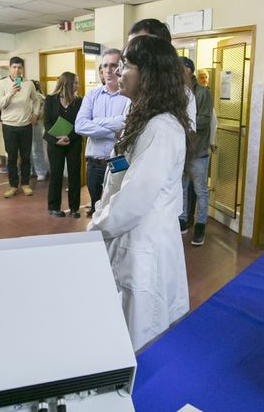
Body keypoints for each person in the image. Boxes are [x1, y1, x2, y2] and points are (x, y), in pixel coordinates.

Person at [88, 35, 193, 351]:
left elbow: (132, 203)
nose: (118, 72)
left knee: (140, 339)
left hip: (142, 244)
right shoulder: (142, 117)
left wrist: (93, 228)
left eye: (126, 65)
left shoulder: (160, 127)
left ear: (149, 74)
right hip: (129, 240)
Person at [75, 49, 130, 217]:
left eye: (113, 65)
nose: (108, 70)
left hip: (117, 162)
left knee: (115, 209)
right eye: (105, 66)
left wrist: (96, 122)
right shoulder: (92, 95)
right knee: (96, 207)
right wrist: (113, 130)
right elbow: (80, 126)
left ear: (121, 68)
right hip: (94, 163)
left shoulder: (129, 96)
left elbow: (127, 124)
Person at [128, 18, 196, 132]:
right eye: (130, 44)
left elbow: (187, 137)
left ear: (161, 49)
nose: (131, 51)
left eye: (139, 44)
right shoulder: (133, 88)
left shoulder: (181, 95)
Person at [0, 57, 42, 198]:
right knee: (12, 158)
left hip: (26, 125)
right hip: (9, 126)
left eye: (19, 67)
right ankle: (13, 185)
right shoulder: (2, 84)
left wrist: (35, 113)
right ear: (10, 68)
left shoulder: (29, 84)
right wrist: (11, 93)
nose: (17, 70)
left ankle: (26, 184)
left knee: (26, 157)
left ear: (23, 69)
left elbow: (37, 99)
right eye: (14, 67)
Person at [179, 57, 213, 246]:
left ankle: (200, 225)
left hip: (198, 150)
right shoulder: (176, 93)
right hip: (182, 151)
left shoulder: (202, 93)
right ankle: (182, 220)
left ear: (189, 70)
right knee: (182, 188)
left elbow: (205, 120)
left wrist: (182, 123)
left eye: (180, 68)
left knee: (200, 190)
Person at [43, 72, 83, 218]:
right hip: (55, 143)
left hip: (73, 142)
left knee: (74, 175)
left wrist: (69, 137)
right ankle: (53, 207)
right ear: (67, 83)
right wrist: (56, 139)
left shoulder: (79, 101)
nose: (78, 85)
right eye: (75, 83)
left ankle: (74, 208)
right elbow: (47, 122)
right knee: (56, 175)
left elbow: (80, 123)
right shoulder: (50, 99)